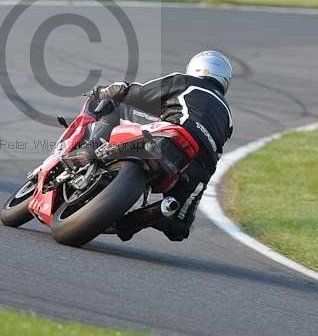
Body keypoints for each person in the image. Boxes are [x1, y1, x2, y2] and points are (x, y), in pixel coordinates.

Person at [86, 51, 233, 242]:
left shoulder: (185, 81)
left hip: (174, 132)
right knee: (178, 227)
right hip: (200, 164)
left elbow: (139, 94)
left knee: (118, 105)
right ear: (224, 80)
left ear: (194, 68)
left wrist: (105, 92)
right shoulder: (228, 116)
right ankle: (143, 217)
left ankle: (91, 149)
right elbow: (217, 152)